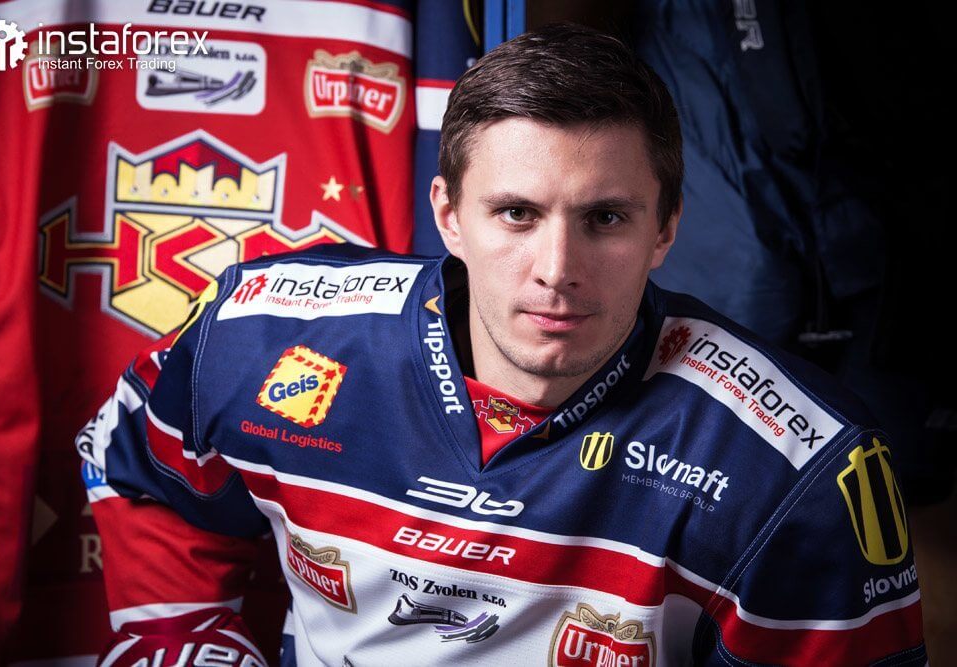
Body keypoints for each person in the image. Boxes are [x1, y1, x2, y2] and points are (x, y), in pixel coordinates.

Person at [77, 23, 925, 666]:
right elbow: (141, 467)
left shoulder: (799, 466)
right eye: (516, 213)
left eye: (605, 218)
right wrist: (185, 638)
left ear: (666, 228)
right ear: (449, 216)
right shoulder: (263, 329)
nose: (557, 269)